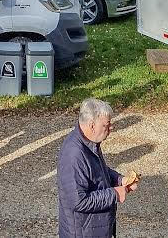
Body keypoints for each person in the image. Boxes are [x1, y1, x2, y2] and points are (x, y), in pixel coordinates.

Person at [58, 97, 136, 237]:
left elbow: (98, 171)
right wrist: (114, 194)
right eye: (107, 125)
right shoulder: (74, 155)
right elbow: (79, 201)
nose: (111, 127)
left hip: (95, 228)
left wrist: (120, 180)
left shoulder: (90, 143)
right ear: (92, 125)